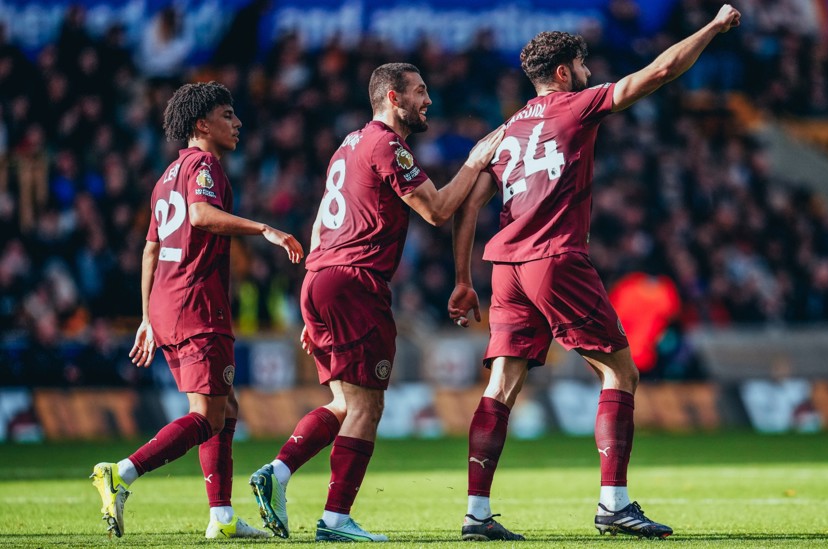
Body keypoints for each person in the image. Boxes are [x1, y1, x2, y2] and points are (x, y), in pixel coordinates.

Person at [447, 5, 741, 541]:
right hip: (555, 257)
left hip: (504, 267)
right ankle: (614, 505)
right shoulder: (577, 105)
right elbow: (658, 72)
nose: (588, 72)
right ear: (563, 72)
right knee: (620, 373)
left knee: (502, 384)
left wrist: (463, 279)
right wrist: (714, 27)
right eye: (582, 65)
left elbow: (468, 206)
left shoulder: (505, 132)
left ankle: (476, 513)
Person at [248, 62, 503, 542]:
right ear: (392, 97)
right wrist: (475, 160)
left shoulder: (347, 145)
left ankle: (277, 473)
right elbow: (438, 210)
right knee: (368, 406)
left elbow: (323, 221)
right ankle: (335, 519)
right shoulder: (388, 146)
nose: (428, 100)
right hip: (354, 282)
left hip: (322, 278)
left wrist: (318, 297)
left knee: (344, 401)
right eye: (420, 91)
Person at [90, 81, 305, 539]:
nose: (238, 122)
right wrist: (264, 228)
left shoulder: (167, 175)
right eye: (228, 115)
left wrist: (147, 316)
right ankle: (122, 473)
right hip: (196, 303)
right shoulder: (205, 165)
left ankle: (222, 519)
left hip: (168, 304)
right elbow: (201, 216)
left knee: (225, 408)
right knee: (208, 415)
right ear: (201, 124)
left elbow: (150, 249)